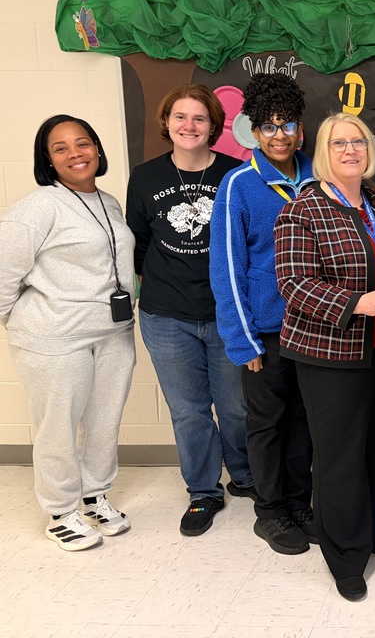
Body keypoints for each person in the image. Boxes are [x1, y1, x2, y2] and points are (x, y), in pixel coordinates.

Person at [274, 113, 375, 602]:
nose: (349, 150)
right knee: (338, 460)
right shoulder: (303, 208)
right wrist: (358, 303)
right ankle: (345, 556)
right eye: (338, 143)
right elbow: (293, 284)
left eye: (357, 141)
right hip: (329, 352)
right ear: (323, 153)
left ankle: (366, 533)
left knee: (372, 452)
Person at [0, 116, 136, 551]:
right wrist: (22, 323)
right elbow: (4, 272)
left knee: (103, 420)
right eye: (60, 148)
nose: (75, 153)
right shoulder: (39, 206)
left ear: (97, 148)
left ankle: (95, 495)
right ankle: (60, 509)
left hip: (113, 332)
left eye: (82, 143)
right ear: (48, 159)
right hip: (55, 337)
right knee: (57, 425)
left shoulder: (109, 202)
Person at [127, 84, 254, 538]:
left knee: (237, 406)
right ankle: (203, 491)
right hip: (166, 316)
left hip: (225, 313)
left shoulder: (236, 174)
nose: (189, 126)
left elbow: (249, 243)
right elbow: (138, 243)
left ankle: (246, 477)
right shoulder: (144, 177)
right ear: (167, 123)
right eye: (180, 116)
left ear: (215, 127)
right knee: (189, 410)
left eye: (199, 118)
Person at [210, 73, 318, 555]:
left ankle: (300, 503)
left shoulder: (320, 177)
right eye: (269, 126)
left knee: (305, 422)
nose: (279, 135)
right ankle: (271, 511)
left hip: (315, 328)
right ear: (253, 131)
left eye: (288, 124)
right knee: (268, 423)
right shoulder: (239, 185)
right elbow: (228, 267)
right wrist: (242, 340)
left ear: (300, 127)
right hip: (267, 332)